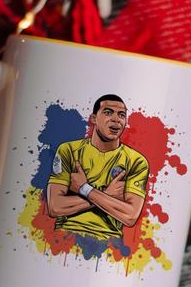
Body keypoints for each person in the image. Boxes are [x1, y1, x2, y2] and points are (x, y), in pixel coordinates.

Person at [46, 94, 149, 240]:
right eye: (108, 112)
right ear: (93, 118)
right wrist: (107, 194)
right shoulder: (68, 150)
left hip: (109, 241)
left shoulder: (137, 161)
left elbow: (130, 216)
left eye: (121, 115)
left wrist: (84, 189)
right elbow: (55, 207)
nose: (116, 119)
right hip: (64, 234)